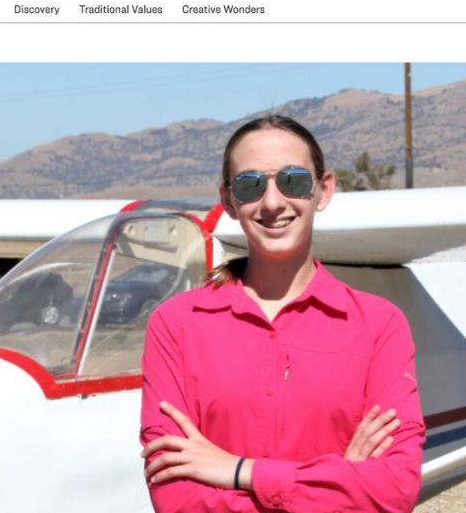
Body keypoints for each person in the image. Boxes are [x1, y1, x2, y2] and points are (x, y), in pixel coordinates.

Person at [139, 115, 425, 512]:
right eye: (250, 185)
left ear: (323, 190)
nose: (273, 203)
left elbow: (394, 490)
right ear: (228, 200)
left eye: (292, 180)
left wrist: (239, 471)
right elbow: (175, 498)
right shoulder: (175, 324)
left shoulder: (380, 325)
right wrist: (339, 479)